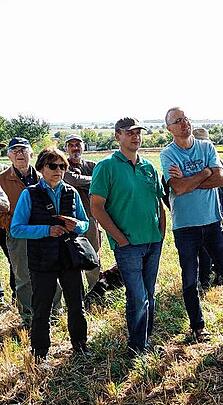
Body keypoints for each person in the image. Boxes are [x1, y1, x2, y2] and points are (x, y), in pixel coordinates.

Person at [161, 107, 223, 342]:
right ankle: (197, 327)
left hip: (213, 222)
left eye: (186, 118)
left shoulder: (206, 147)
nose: (184, 123)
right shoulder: (167, 154)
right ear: (169, 128)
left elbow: (220, 179)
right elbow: (178, 188)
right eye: (178, 121)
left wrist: (190, 179)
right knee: (190, 280)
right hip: (185, 227)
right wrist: (205, 172)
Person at [90, 117, 166, 356]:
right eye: (129, 132)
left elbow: (159, 202)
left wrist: (161, 232)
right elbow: (97, 207)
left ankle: (145, 340)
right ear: (117, 136)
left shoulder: (149, 167)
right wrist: (120, 239)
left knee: (149, 293)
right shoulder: (107, 166)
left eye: (138, 132)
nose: (135, 136)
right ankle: (136, 346)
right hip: (128, 244)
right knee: (137, 296)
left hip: (152, 240)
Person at [10, 147, 90, 359]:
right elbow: (16, 229)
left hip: (69, 256)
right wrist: (47, 230)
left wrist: (77, 226)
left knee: (76, 304)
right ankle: (40, 352)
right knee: (42, 307)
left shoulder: (71, 192)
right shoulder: (29, 194)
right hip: (42, 259)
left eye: (62, 166)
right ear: (41, 168)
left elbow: (85, 223)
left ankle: (80, 345)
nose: (58, 170)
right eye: (53, 166)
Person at [0, 137, 60, 327]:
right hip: (18, 235)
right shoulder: (1, 179)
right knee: (23, 277)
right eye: (15, 150)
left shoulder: (44, 177)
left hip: (45, 233)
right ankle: (28, 317)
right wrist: (11, 224)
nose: (19, 154)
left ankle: (55, 312)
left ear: (31, 153)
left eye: (23, 150)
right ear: (9, 155)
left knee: (51, 271)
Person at [63, 134, 101, 290]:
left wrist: (84, 181)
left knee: (93, 254)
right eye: (71, 145)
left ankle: (95, 290)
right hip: (70, 219)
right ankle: (76, 293)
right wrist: (93, 181)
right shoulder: (63, 165)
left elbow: (104, 183)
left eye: (78, 144)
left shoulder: (92, 165)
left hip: (91, 216)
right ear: (66, 148)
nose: (75, 148)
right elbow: (73, 180)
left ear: (83, 146)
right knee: (72, 255)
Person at [192, 127, 223, 289]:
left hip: (214, 209)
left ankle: (209, 278)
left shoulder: (213, 160)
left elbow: (222, 184)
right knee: (213, 246)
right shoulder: (215, 160)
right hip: (211, 209)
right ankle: (213, 276)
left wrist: (193, 185)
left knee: (210, 247)